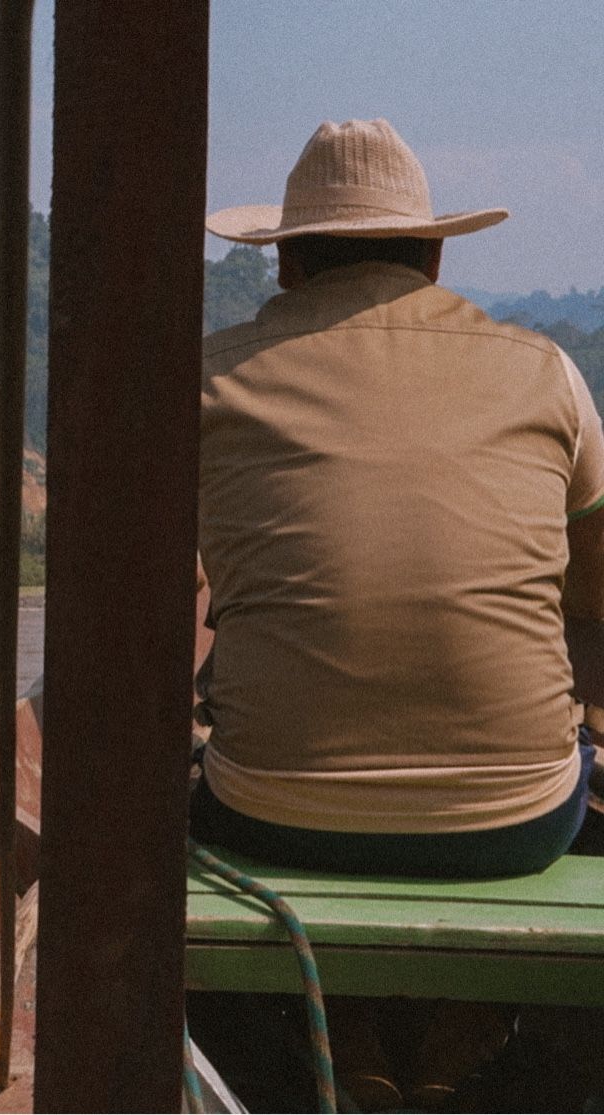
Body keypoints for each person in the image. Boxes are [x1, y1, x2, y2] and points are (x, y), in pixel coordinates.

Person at [192, 118, 604, 1110]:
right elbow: (593, 603)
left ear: (284, 261)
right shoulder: (544, 370)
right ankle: (470, 1030)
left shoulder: (201, 375)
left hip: (270, 816)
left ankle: (337, 1026)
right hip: (515, 824)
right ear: (431, 252)